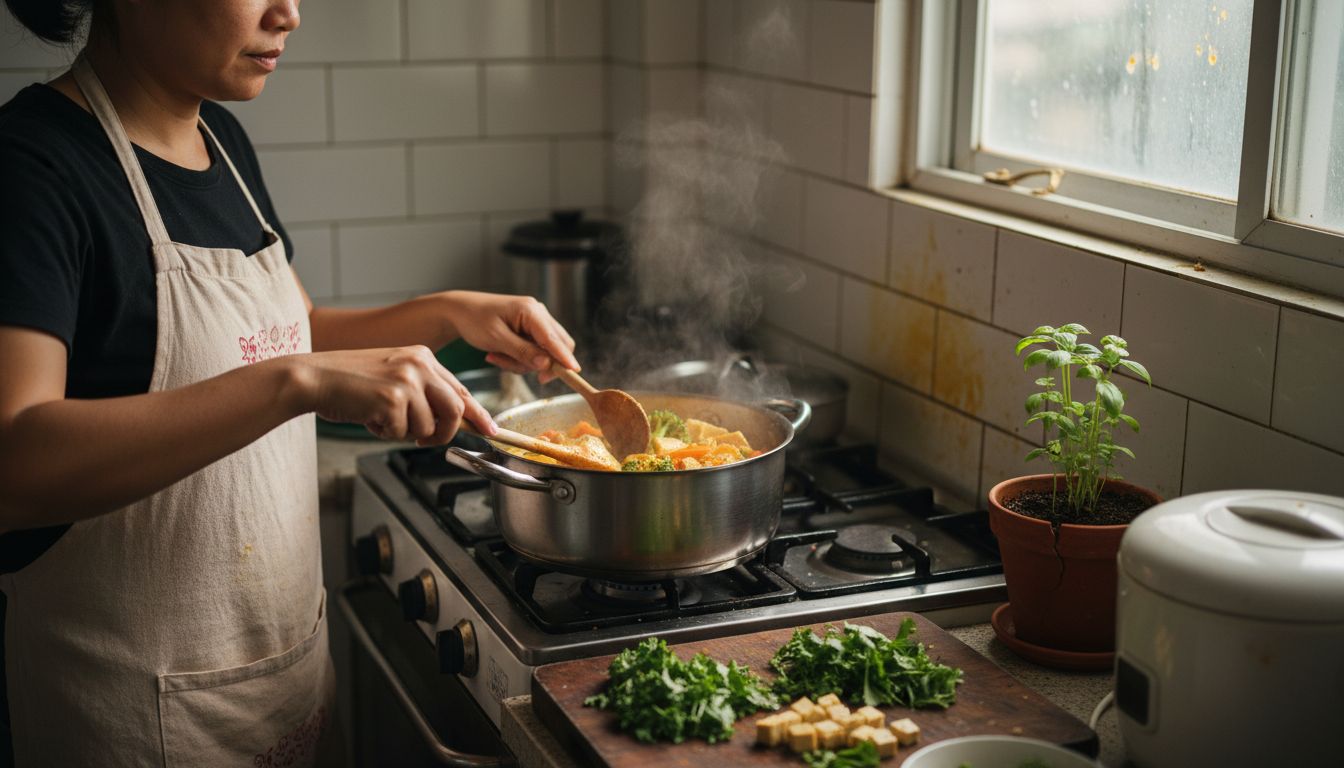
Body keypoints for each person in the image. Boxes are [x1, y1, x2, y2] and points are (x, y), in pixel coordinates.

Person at [0, 1, 579, 765]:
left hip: (278, 685)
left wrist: (446, 313)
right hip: (130, 716)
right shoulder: (32, 165)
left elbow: (286, 333)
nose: (290, 14)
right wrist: (294, 383)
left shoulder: (223, 143)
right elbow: (16, 462)